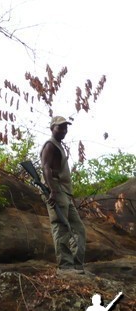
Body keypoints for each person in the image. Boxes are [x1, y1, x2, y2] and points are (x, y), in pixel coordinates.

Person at [40, 116, 87, 274]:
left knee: (78, 228)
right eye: (60, 127)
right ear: (52, 128)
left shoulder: (59, 145)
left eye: (65, 127)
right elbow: (45, 167)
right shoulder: (50, 145)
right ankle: (65, 267)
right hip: (56, 189)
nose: (64, 130)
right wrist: (52, 190)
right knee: (60, 227)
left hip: (65, 192)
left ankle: (77, 265)